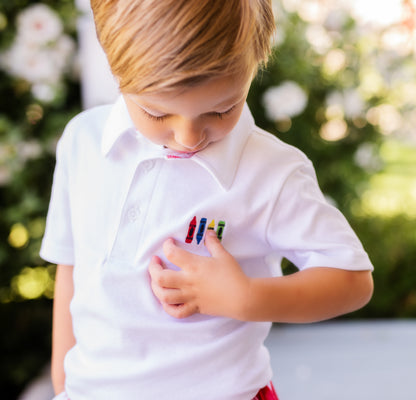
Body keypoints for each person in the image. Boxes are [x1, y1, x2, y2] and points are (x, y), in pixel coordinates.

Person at [41, 0, 374, 399]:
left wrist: (246, 298)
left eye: (221, 109)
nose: (189, 137)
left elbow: (352, 280)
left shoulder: (271, 172)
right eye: (157, 113)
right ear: (114, 63)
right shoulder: (83, 143)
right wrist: (64, 382)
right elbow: (71, 264)